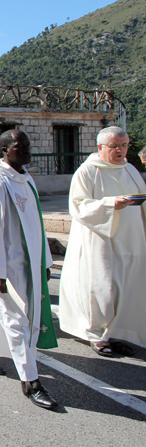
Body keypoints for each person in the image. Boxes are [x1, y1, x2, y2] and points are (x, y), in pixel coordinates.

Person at [0, 129, 59, 410]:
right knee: (17, 322)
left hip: (30, 262)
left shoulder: (26, 178)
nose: (28, 149)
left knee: (0, 312)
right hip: (7, 266)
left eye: (29, 144)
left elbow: (38, 223)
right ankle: (31, 381)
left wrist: (45, 260)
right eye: (22, 146)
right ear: (6, 150)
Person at [59, 126, 146, 357]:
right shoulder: (87, 172)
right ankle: (96, 334)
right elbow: (78, 206)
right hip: (100, 240)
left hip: (131, 239)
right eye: (115, 146)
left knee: (127, 286)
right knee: (102, 288)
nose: (121, 150)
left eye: (124, 145)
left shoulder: (130, 170)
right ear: (100, 147)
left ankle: (118, 332)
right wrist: (109, 204)